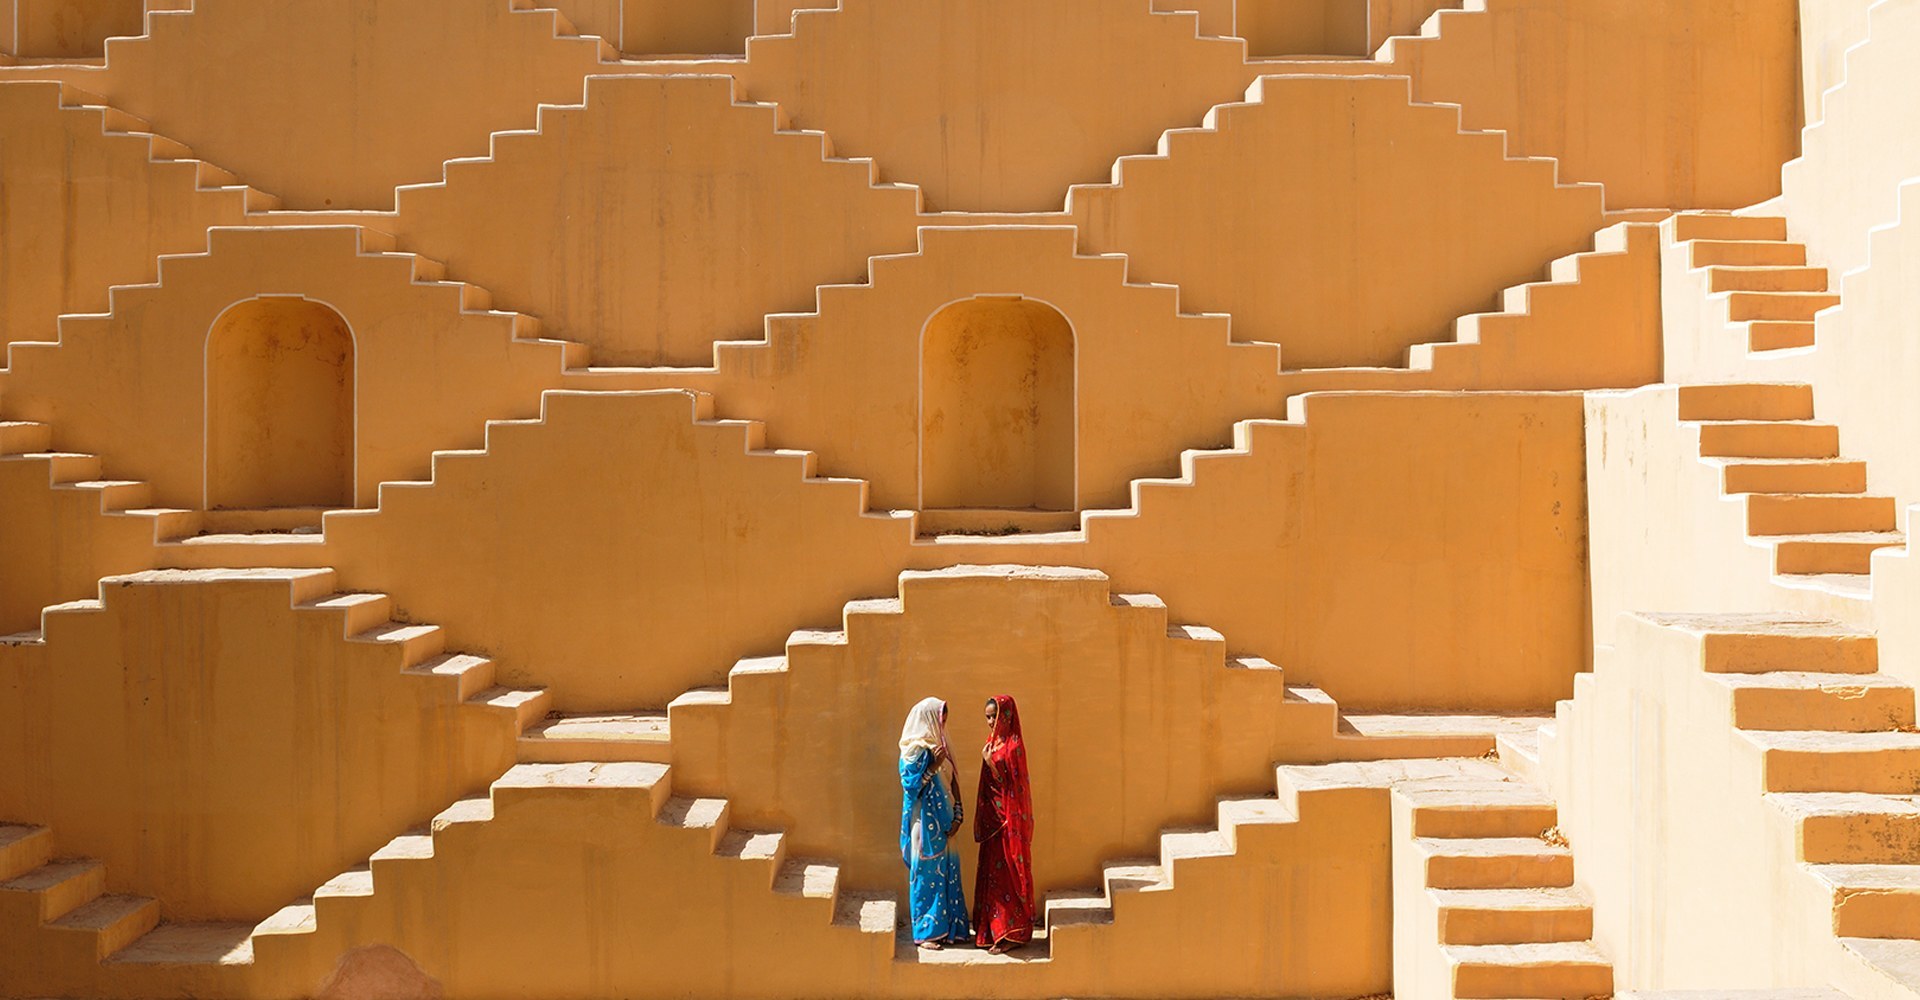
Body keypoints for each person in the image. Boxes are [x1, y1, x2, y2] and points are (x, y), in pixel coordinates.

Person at [898, 696, 970, 950]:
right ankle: (926, 933)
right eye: (940, 719)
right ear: (927, 719)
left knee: (948, 873)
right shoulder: (912, 752)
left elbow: (954, 781)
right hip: (925, 826)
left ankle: (950, 929)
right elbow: (911, 788)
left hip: (947, 823)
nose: (943, 725)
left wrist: (959, 813)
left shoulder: (942, 747)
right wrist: (933, 765)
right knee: (925, 875)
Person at [972, 694, 1035, 954]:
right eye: (987, 717)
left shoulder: (1013, 747)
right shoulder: (992, 743)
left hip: (1009, 823)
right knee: (991, 877)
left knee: (1008, 875)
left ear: (1006, 716)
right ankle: (992, 931)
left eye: (994, 716)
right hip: (992, 823)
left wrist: (989, 762)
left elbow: (1014, 787)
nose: (990, 722)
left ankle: (1013, 932)